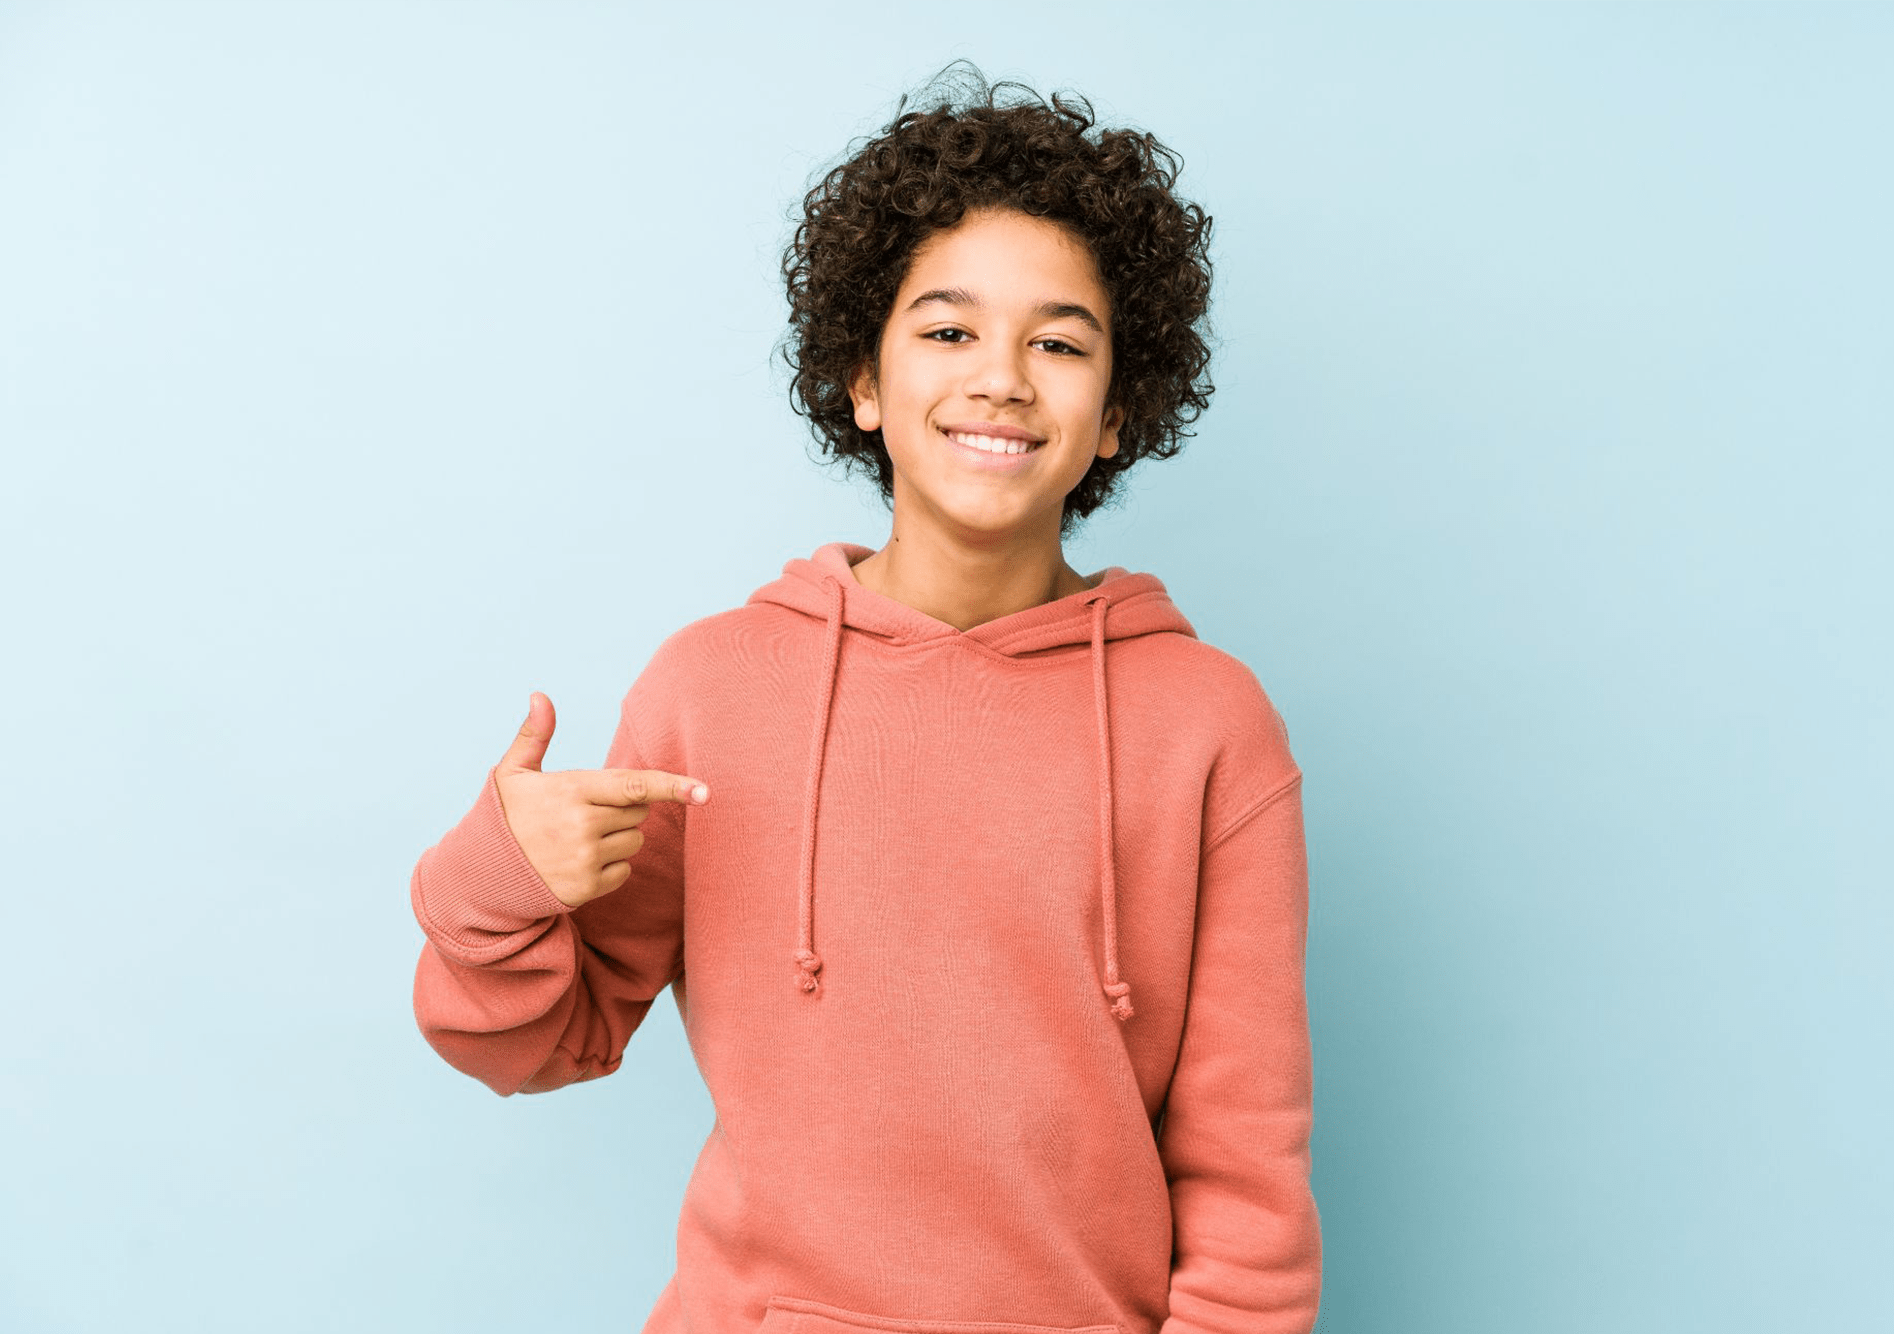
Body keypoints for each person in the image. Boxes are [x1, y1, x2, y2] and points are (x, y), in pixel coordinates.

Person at [408, 60, 1321, 1334]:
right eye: (946, 331)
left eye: (1056, 342)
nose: (1000, 376)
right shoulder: (711, 687)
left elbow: (1246, 1176)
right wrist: (492, 883)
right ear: (861, 380)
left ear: (1115, 411)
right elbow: (533, 1042)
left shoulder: (1208, 724)